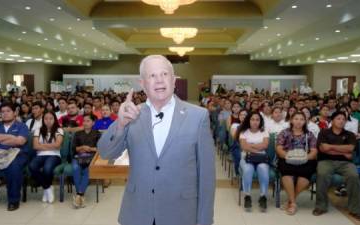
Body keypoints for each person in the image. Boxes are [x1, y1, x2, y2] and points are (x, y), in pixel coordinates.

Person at [98, 55, 215, 225]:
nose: (159, 80)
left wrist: (205, 220)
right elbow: (105, 152)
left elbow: (206, 176)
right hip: (138, 212)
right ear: (142, 84)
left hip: (181, 214)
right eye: (152, 76)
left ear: (174, 80)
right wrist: (120, 124)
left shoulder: (198, 116)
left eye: (164, 74)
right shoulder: (131, 115)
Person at [312, 111, 360, 221]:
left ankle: (356, 210)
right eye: (338, 118)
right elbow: (323, 149)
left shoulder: (349, 134)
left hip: (345, 163)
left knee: (354, 176)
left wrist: (330, 147)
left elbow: (350, 149)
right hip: (325, 161)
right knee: (322, 174)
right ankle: (321, 206)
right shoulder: (324, 133)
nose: (341, 121)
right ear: (333, 120)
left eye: (343, 119)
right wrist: (342, 151)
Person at [276, 112, 318, 215]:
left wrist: (305, 158)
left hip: (305, 160)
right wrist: (289, 156)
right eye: (296, 119)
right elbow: (279, 149)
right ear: (291, 120)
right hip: (287, 158)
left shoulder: (310, 134)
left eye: (301, 119)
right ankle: (293, 203)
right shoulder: (284, 133)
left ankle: (290, 200)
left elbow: (314, 151)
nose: (298, 121)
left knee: (305, 174)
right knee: (286, 173)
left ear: (305, 121)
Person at [237, 112, 270, 212]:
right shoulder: (243, 131)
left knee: (263, 169)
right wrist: (257, 147)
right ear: (248, 120)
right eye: (252, 119)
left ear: (260, 121)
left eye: (257, 120)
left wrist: (250, 145)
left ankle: (263, 196)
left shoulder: (264, 131)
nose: (255, 122)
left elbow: (265, 145)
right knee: (248, 169)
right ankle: (247, 196)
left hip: (261, 158)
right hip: (246, 157)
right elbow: (243, 147)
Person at [28, 111, 63, 203]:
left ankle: (46, 189)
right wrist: (51, 145)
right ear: (43, 120)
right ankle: (47, 188)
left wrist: (42, 145)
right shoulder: (38, 130)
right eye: (46, 119)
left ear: (54, 119)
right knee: (32, 166)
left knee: (47, 168)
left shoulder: (59, 130)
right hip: (40, 155)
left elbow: (58, 145)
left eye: (51, 118)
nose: (48, 121)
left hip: (54, 155)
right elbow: (35, 146)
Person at [71, 114, 100, 208]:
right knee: (75, 168)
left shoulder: (97, 133)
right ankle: (81, 196)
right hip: (78, 156)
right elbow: (74, 148)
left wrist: (90, 149)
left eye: (88, 121)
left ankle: (79, 195)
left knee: (88, 170)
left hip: (92, 158)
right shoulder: (78, 134)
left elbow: (99, 149)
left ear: (93, 122)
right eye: (84, 121)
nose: (85, 123)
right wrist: (82, 147)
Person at [229, 109, 248, 175]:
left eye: (245, 115)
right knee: (239, 155)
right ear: (239, 116)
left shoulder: (252, 127)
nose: (243, 116)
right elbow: (235, 137)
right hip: (238, 146)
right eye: (241, 115)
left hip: (249, 147)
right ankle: (238, 173)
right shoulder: (235, 125)